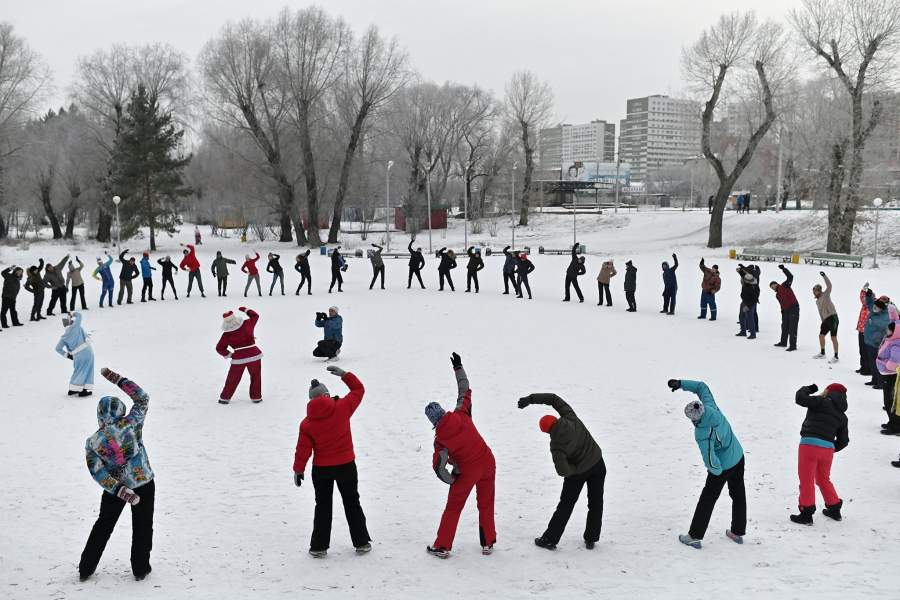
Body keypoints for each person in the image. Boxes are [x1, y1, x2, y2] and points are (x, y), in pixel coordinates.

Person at [79, 368, 155, 582]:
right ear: (121, 410)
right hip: (143, 481)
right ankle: (140, 568)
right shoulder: (131, 424)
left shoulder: (94, 441)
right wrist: (120, 380)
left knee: (104, 524)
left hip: (116, 488)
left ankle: (86, 567)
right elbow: (142, 399)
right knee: (142, 525)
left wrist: (118, 489)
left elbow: (97, 471)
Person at [293, 367, 371, 558]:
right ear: (327, 395)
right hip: (346, 466)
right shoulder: (342, 408)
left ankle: (319, 547)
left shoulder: (306, 423)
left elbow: (303, 449)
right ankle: (361, 542)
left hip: (321, 470)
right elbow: (359, 390)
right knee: (352, 501)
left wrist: (298, 470)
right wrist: (345, 375)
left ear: (311, 400)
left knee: (323, 506)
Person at [425, 353, 496, 559]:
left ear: (432, 421)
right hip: (488, 461)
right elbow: (464, 388)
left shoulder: (440, 441)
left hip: (467, 471)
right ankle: (488, 542)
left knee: (453, 508)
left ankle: (443, 546)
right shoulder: (461, 413)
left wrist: (452, 479)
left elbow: (439, 468)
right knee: (486, 503)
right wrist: (458, 367)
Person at [518, 393, 606, 551]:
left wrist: (576, 469)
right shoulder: (571, 417)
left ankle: (550, 539)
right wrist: (530, 399)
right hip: (597, 462)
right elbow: (553, 398)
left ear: (546, 432)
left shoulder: (556, 446)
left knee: (566, 505)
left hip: (577, 473)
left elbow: (563, 470)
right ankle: (591, 538)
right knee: (596, 502)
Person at [668, 379, 746, 549]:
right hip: (738, 455)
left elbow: (709, 458)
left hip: (723, 465)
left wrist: (716, 472)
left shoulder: (702, 432)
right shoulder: (711, 407)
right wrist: (680, 383)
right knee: (738, 493)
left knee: (707, 498)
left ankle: (694, 536)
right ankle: (737, 532)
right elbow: (702, 387)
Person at [790, 383, 849, 525]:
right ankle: (834, 508)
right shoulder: (842, 416)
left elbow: (800, 398)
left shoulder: (820, 401)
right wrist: (829, 448)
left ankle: (806, 513)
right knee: (823, 479)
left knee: (807, 480)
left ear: (828, 391)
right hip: (827, 450)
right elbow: (844, 441)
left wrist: (808, 389)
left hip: (809, 445)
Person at [215, 307, 263, 404]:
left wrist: (230, 354)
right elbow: (255, 315)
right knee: (256, 376)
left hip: (238, 359)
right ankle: (256, 397)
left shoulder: (226, 334)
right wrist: (245, 310)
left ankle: (224, 398)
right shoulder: (247, 324)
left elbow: (219, 348)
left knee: (232, 378)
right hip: (254, 355)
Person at [56, 312, 95, 396]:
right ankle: (84, 390)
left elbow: (58, 349)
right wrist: (72, 314)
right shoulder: (75, 327)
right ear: (70, 322)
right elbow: (79, 315)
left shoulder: (64, 337)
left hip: (76, 355)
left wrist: (67, 355)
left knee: (78, 371)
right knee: (88, 370)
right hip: (87, 352)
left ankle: (73, 389)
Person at [876, 321, 900, 435]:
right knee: (888, 401)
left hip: (891, 375)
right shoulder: (891, 339)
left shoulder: (897, 344)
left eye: (889, 329)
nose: (887, 330)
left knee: (890, 401)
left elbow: (894, 364)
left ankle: (896, 426)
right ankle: (892, 422)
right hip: (887, 375)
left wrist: (883, 363)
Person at [864, 294, 892, 389]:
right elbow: (869, 303)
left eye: (876, 307)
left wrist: (872, 321)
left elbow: (882, 326)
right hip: (870, 342)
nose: (874, 308)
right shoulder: (876, 309)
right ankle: (874, 379)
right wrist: (869, 295)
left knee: (879, 363)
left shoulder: (885, 315)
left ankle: (881, 382)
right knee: (872, 362)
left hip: (878, 343)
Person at [771, 264, 799, 351]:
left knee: (792, 327)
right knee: (784, 326)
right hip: (786, 311)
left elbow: (790, 276)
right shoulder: (777, 295)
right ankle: (783, 342)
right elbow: (782, 304)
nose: (773, 287)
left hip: (794, 308)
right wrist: (783, 312)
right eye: (771, 287)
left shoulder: (785, 285)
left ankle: (793, 346)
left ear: (776, 284)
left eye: (773, 285)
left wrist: (784, 269)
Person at [813, 272, 839, 362]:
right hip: (826, 320)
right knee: (821, 335)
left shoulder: (826, 294)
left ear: (820, 290)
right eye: (814, 291)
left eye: (816, 290)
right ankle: (822, 353)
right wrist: (822, 320)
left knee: (833, 337)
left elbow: (829, 285)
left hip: (833, 317)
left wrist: (824, 276)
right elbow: (820, 312)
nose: (815, 292)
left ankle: (836, 356)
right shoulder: (817, 301)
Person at [736, 268, 759, 340]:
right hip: (744, 301)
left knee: (750, 318)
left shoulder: (754, 287)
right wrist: (740, 271)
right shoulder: (747, 281)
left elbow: (754, 299)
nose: (745, 281)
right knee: (741, 316)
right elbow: (744, 275)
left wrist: (748, 306)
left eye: (747, 281)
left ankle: (753, 334)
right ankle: (743, 331)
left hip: (750, 303)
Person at [856, 283, 873, 376]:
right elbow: (862, 297)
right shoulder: (866, 302)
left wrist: (864, 290)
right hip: (861, 330)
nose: (864, 299)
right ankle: (863, 367)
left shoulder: (872, 304)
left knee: (866, 351)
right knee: (861, 350)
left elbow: (863, 299)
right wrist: (863, 290)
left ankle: (867, 369)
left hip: (867, 332)